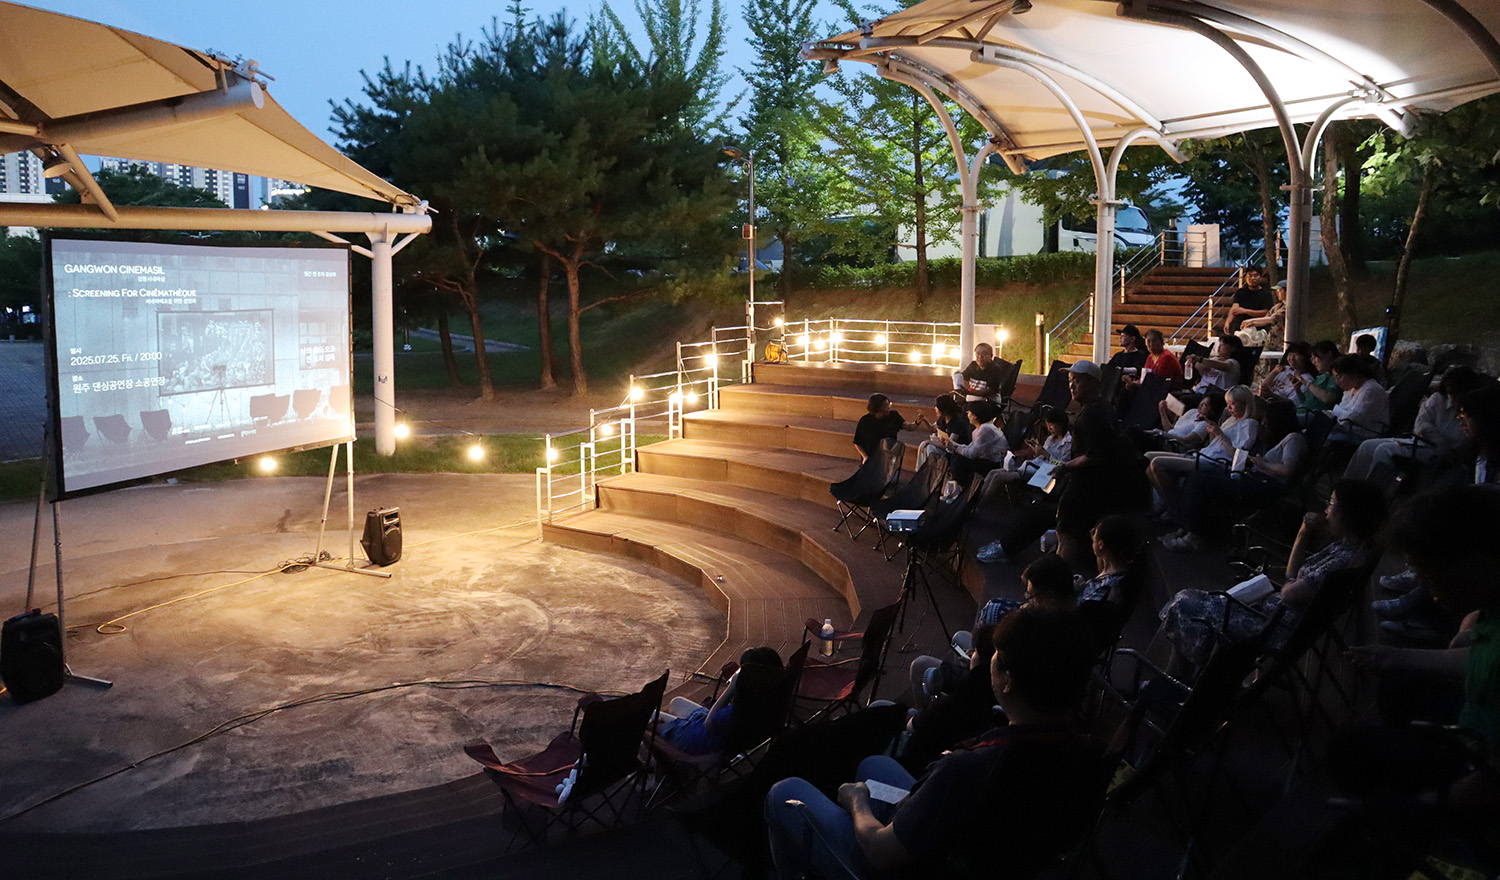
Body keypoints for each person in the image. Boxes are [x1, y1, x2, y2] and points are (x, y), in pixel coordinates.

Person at [765, 608, 1102, 880]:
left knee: (784, 792)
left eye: (996, 654)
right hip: (988, 847)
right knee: (873, 765)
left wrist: (858, 802)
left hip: (909, 863)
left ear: (1008, 681)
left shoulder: (968, 769)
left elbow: (882, 852)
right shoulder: (1086, 751)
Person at [1339, 485, 1500, 811]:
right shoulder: (1491, 606)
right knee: (1398, 685)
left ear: (1471, 562)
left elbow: (1492, 784)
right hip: (1471, 719)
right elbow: (1481, 659)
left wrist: (1415, 810)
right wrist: (1397, 656)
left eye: (1429, 575)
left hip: (1478, 760)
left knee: (1347, 751)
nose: (1429, 592)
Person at [1158, 480, 1386, 673]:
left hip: (1272, 628)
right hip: (1278, 618)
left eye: (1331, 504)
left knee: (1183, 604)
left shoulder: (1341, 561)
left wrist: (1289, 582)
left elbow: (1289, 593)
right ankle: (1183, 675)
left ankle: (1184, 677)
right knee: (1188, 603)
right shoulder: (1351, 549)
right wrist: (1303, 533)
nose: (1326, 510)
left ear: (1350, 516)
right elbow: (1292, 578)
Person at [1162, 400, 1307, 552]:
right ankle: (1188, 526)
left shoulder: (1294, 439)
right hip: (1255, 478)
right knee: (1197, 476)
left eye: (1266, 420)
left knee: (1200, 481)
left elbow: (1287, 469)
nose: (1264, 423)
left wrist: (1263, 464)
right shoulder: (1282, 439)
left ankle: (1193, 535)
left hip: (1266, 486)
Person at [1344, 366, 1483, 488]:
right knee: (1367, 446)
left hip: (1440, 453)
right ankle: (1347, 487)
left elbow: (1460, 440)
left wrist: (1436, 439)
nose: (1451, 397)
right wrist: (1436, 437)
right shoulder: (1438, 399)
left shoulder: (1471, 413)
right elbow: (1421, 422)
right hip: (1421, 441)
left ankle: (1374, 490)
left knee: (1384, 450)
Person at [1147, 385, 1260, 520]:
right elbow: (1214, 445)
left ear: (1245, 404)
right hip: (1203, 455)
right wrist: (1213, 432)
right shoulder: (1231, 420)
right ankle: (1165, 504)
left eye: (1233, 404)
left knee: (1158, 464)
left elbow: (1237, 455)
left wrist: (1219, 434)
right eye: (1227, 404)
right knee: (1148, 458)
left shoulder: (1250, 424)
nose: (1229, 408)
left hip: (1215, 463)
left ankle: (1174, 510)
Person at [655, 647, 784, 755]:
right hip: (713, 728)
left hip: (700, 740)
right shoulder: (772, 700)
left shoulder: (741, 711)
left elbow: (709, 724)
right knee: (676, 702)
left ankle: (660, 769)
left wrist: (732, 686)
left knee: (650, 716)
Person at [937, 399, 1008, 485]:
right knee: (955, 457)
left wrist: (954, 447)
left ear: (975, 416)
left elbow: (972, 454)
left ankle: (960, 486)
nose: (967, 415)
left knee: (958, 460)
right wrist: (951, 443)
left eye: (969, 413)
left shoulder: (985, 429)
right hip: (987, 459)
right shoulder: (979, 429)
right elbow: (969, 448)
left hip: (995, 463)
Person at [1329, 354, 1391, 442]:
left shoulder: (1371, 390)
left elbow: (1354, 417)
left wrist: (1338, 411)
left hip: (1365, 434)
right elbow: (1343, 413)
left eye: (1340, 376)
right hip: (1348, 430)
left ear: (1353, 373)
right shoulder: (1350, 390)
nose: (1337, 382)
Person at [853, 393, 916, 464]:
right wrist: (865, 457)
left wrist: (917, 422)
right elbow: (857, 442)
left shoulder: (893, 416)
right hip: (872, 458)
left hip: (889, 457)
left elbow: (909, 427)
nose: (889, 408)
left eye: (889, 405)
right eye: (886, 406)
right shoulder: (865, 421)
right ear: (878, 408)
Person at [914, 394, 972, 469]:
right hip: (943, 448)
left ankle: (931, 471)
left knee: (930, 448)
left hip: (953, 452)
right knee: (926, 446)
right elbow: (933, 429)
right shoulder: (942, 419)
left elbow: (949, 445)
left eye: (937, 407)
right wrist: (925, 420)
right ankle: (921, 470)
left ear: (943, 409)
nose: (935, 409)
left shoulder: (957, 423)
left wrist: (929, 442)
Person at [1290, 339, 1343, 421]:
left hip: (1318, 418)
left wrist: (1307, 383)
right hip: (1303, 413)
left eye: (1315, 357)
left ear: (1328, 354)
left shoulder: (1336, 376)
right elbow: (1306, 401)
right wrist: (1298, 390)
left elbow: (1328, 398)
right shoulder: (1320, 377)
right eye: (1312, 359)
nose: (1313, 362)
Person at [1221, 266, 1273, 335]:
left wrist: (1246, 311)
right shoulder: (1240, 292)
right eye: (1250, 276)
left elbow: (1266, 312)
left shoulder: (1266, 294)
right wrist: (1228, 322)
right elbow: (1234, 308)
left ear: (1260, 277)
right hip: (1240, 328)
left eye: (1255, 275)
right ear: (1245, 277)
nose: (1252, 278)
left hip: (1258, 330)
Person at [1236, 279, 1287, 348]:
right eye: (1277, 290)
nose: (1277, 293)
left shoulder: (1290, 308)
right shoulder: (1277, 307)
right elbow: (1265, 319)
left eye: (1280, 290)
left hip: (1282, 343)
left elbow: (1273, 319)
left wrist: (1251, 321)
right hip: (1272, 342)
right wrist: (1252, 323)